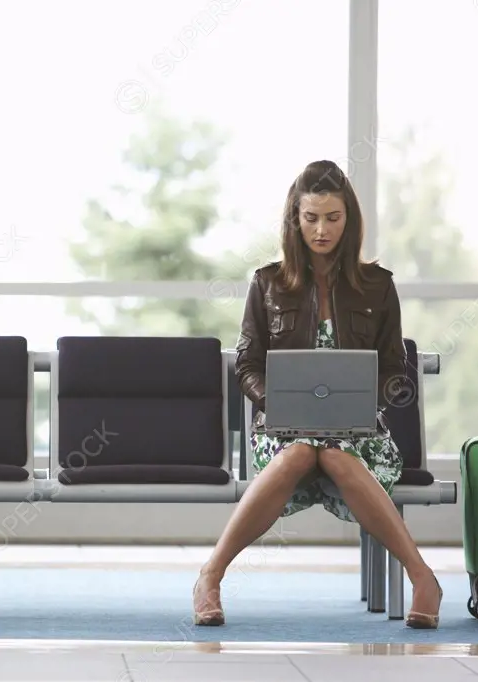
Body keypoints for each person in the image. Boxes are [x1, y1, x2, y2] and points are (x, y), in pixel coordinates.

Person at [192, 160, 443, 629]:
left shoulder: (377, 285)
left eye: (333, 217)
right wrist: (275, 401)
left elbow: (395, 369)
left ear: (350, 219)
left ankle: (423, 578)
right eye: (311, 218)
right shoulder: (267, 283)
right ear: (295, 219)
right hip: (282, 428)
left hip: (359, 431)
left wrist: (371, 397)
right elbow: (247, 364)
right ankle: (211, 575)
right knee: (300, 453)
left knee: (336, 455)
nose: (322, 229)